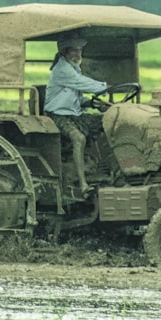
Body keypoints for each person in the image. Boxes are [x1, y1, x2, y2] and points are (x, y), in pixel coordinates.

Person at [44, 32, 108, 198]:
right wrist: (107, 87)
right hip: (57, 116)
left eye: (80, 50)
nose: (78, 54)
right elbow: (84, 84)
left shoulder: (74, 68)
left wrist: (95, 104)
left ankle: (106, 170)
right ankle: (83, 184)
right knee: (78, 138)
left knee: (109, 121)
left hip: (75, 115)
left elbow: (78, 98)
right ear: (65, 52)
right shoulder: (62, 69)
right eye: (74, 50)